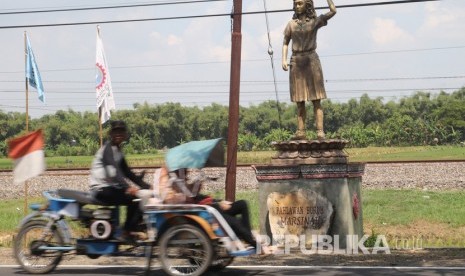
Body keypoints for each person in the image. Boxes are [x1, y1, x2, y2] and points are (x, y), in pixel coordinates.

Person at [282, 0, 337, 140]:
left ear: (307, 5)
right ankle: (301, 131)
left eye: (300, 3)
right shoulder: (291, 24)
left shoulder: (314, 22)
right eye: (295, 3)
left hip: (311, 60)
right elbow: (285, 42)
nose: (297, 6)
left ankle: (320, 131)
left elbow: (333, 11)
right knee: (299, 101)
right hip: (296, 61)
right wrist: (283, 59)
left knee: (316, 99)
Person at [89, 120, 150, 241]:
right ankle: (126, 232)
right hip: (100, 188)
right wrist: (128, 188)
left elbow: (127, 173)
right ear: (111, 134)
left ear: (125, 134)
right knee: (134, 200)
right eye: (116, 132)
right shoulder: (107, 150)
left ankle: (131, 229)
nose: (119, 134)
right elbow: (115, 171)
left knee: (137, 197)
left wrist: (148, 186)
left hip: (110, 187)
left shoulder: (118, 151)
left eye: (121, 131)